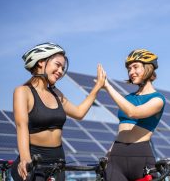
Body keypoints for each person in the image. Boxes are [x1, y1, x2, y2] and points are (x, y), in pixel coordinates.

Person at [11, 42, 106, 181]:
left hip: (58, 161)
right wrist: (25, 159)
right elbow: (21, 126)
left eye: (62, 67)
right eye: (57, 65)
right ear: (41, 62)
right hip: (34, 160)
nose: (61, 71)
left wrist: (97, 87)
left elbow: (79, 113)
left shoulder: (57, 94)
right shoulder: (22, 91)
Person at [99, 49, 166, 181]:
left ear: (148, 68)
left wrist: (107, 86)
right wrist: (109, 152)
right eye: (129, 69)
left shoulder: (158, 99)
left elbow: (133, 112)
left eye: (135, 67)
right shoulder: (127, 98)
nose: (131, 72)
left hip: (141, 157)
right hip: (116, 156)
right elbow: (122, 128)